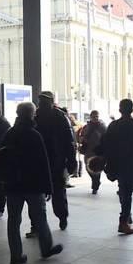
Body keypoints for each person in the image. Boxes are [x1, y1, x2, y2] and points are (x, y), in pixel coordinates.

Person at [1, 102, 64, 264]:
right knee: (39, 217)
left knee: (13, 220)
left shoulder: (9, 134)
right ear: (32, 115)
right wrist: (48, 187)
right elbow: (43, 164)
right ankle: (46, 247)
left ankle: (16, 255)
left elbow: (4, 159)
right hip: (33, 185)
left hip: (13, 184)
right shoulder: (34, 135)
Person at [97, 99, 133, 235]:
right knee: (127, 192)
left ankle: (126, 215)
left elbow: (104, 143)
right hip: (130, 162)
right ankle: (123, 222)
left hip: (116, 162)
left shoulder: (114, 125)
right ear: (132, 109)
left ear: (120, 110)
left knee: (122, 189)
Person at [35, 91, 77, 231]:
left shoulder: (59, 117)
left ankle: (62, 216)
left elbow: (69, 141)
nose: (42, 103)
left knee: (58, 192)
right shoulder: (37, 115)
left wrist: (71, 161)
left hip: (55, 161)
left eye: (44, 100)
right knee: (37, 195)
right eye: (41, 100)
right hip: (42, 161)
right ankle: (36, 224)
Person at [79, 110, 107, 194]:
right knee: (88, 168)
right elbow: (81, 136)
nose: (96, 118)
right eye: (94, 117)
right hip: (88, 151)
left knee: (97, 167)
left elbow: (106, 138)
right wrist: (83, 140)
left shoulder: (102, 127)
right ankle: (95, 181)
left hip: (98, 151)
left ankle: (95, 184)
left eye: (97, 117)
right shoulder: (86, 127)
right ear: (91, 117)